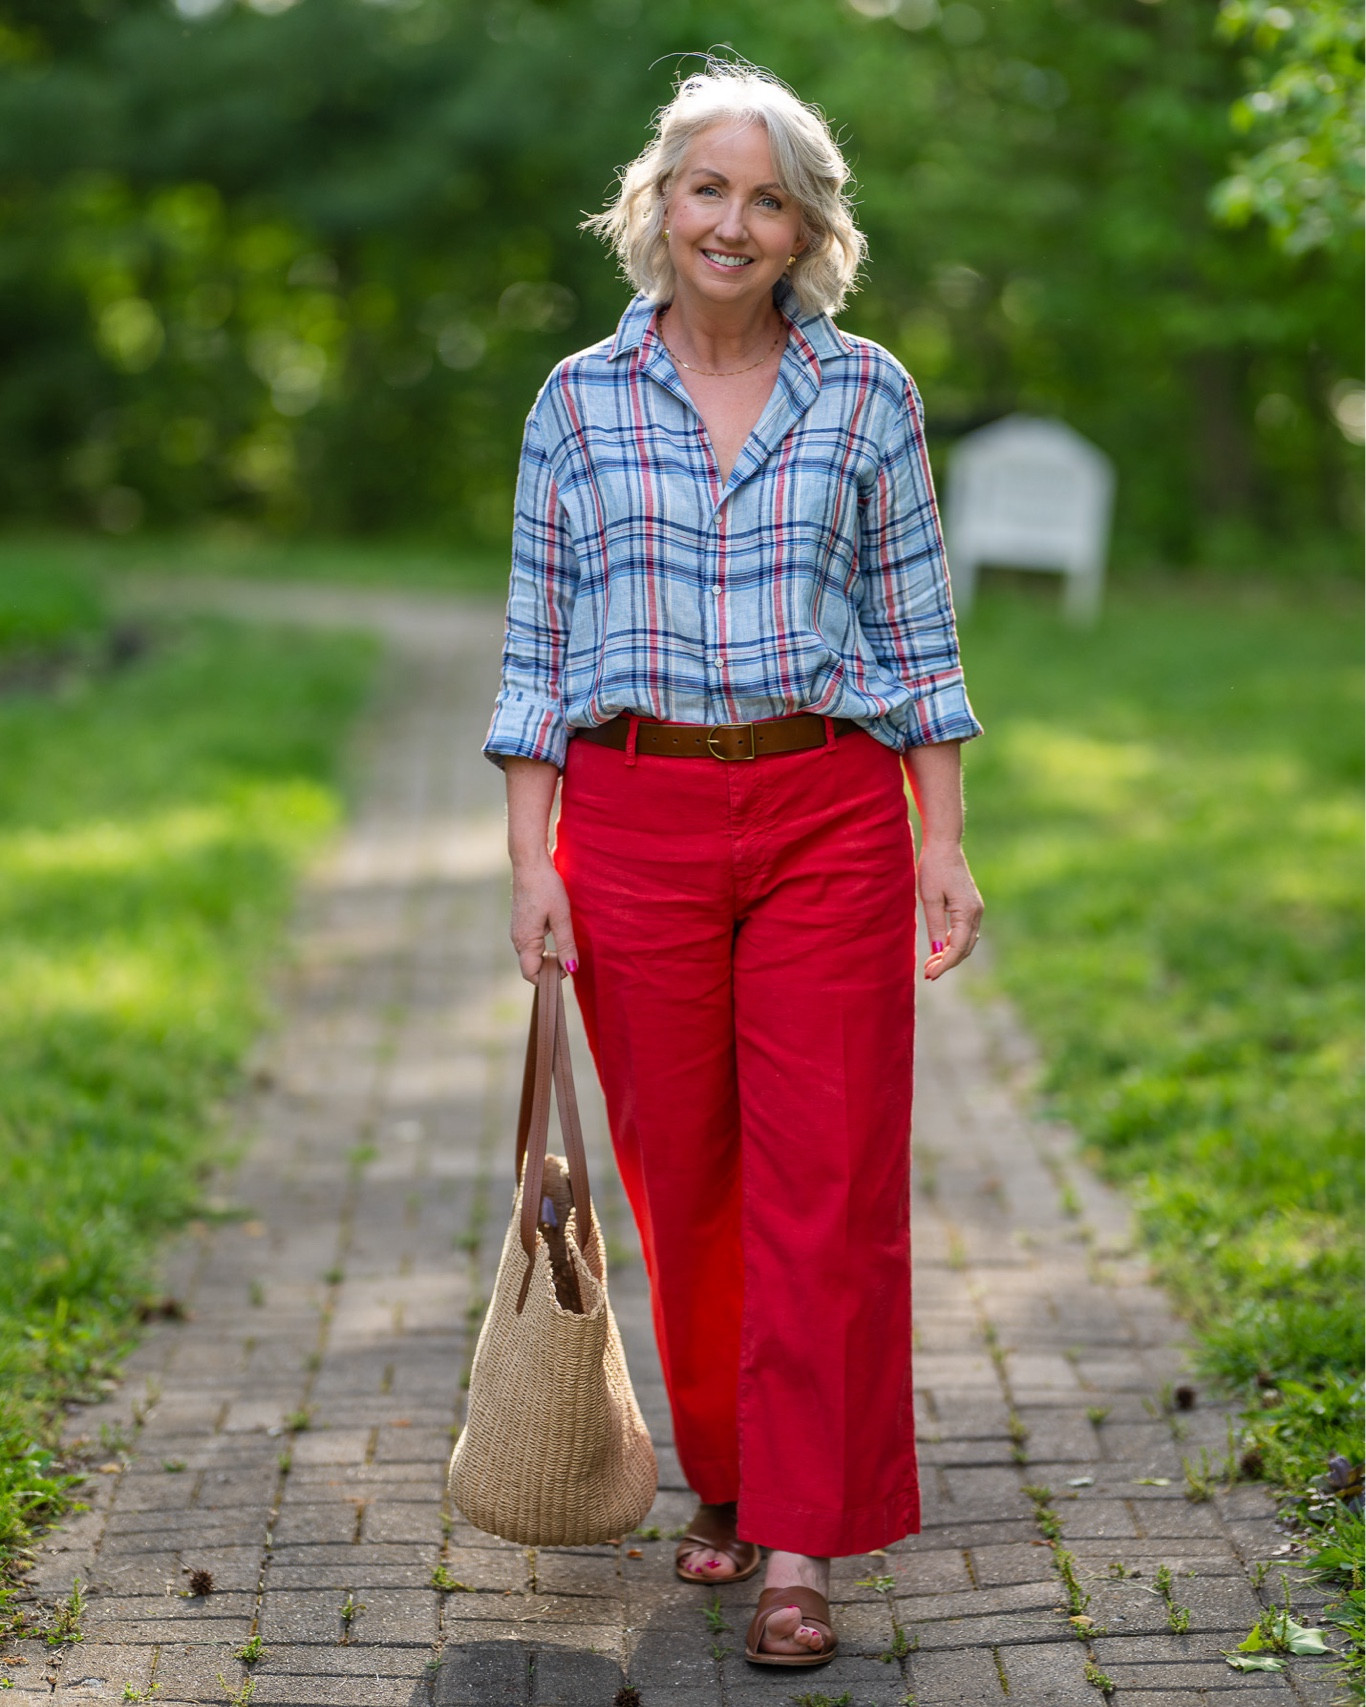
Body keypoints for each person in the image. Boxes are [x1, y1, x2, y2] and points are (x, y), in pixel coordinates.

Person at [484, 60, 983, 1669]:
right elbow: (535, 651)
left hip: (826, 809)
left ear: (806, 232)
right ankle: (730, 1468)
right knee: (682, 1177)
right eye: (709, 187)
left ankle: (802, 1540)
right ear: (659, 203)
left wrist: (940, 841)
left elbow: (917, 635)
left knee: (825, 1183)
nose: (733, 221)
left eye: (769, 199)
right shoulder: (575, 401)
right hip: (630, 819)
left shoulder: (867, 394)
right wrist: (530, 861)